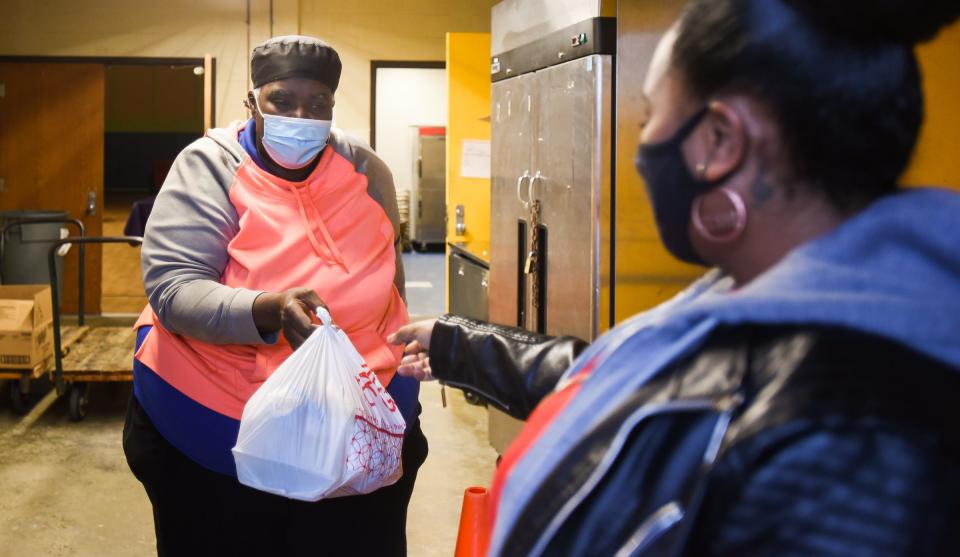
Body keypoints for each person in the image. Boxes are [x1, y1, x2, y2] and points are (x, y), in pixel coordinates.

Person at [389, 1, 960, 555]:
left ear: (720, 141)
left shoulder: (850, 448)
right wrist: (457, 345)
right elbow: (647, 389)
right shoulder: (766, 299)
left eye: (649, 117)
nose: (642, 151)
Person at [123, 35, 427, 556]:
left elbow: (389, 278)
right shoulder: (210, 166)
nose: (301, 116)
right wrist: (267, 309)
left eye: (319, 104)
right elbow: (174, 288)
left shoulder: (365, 171)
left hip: (352, 435)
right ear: (253, 101)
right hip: (219, 434)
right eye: (282, 101)